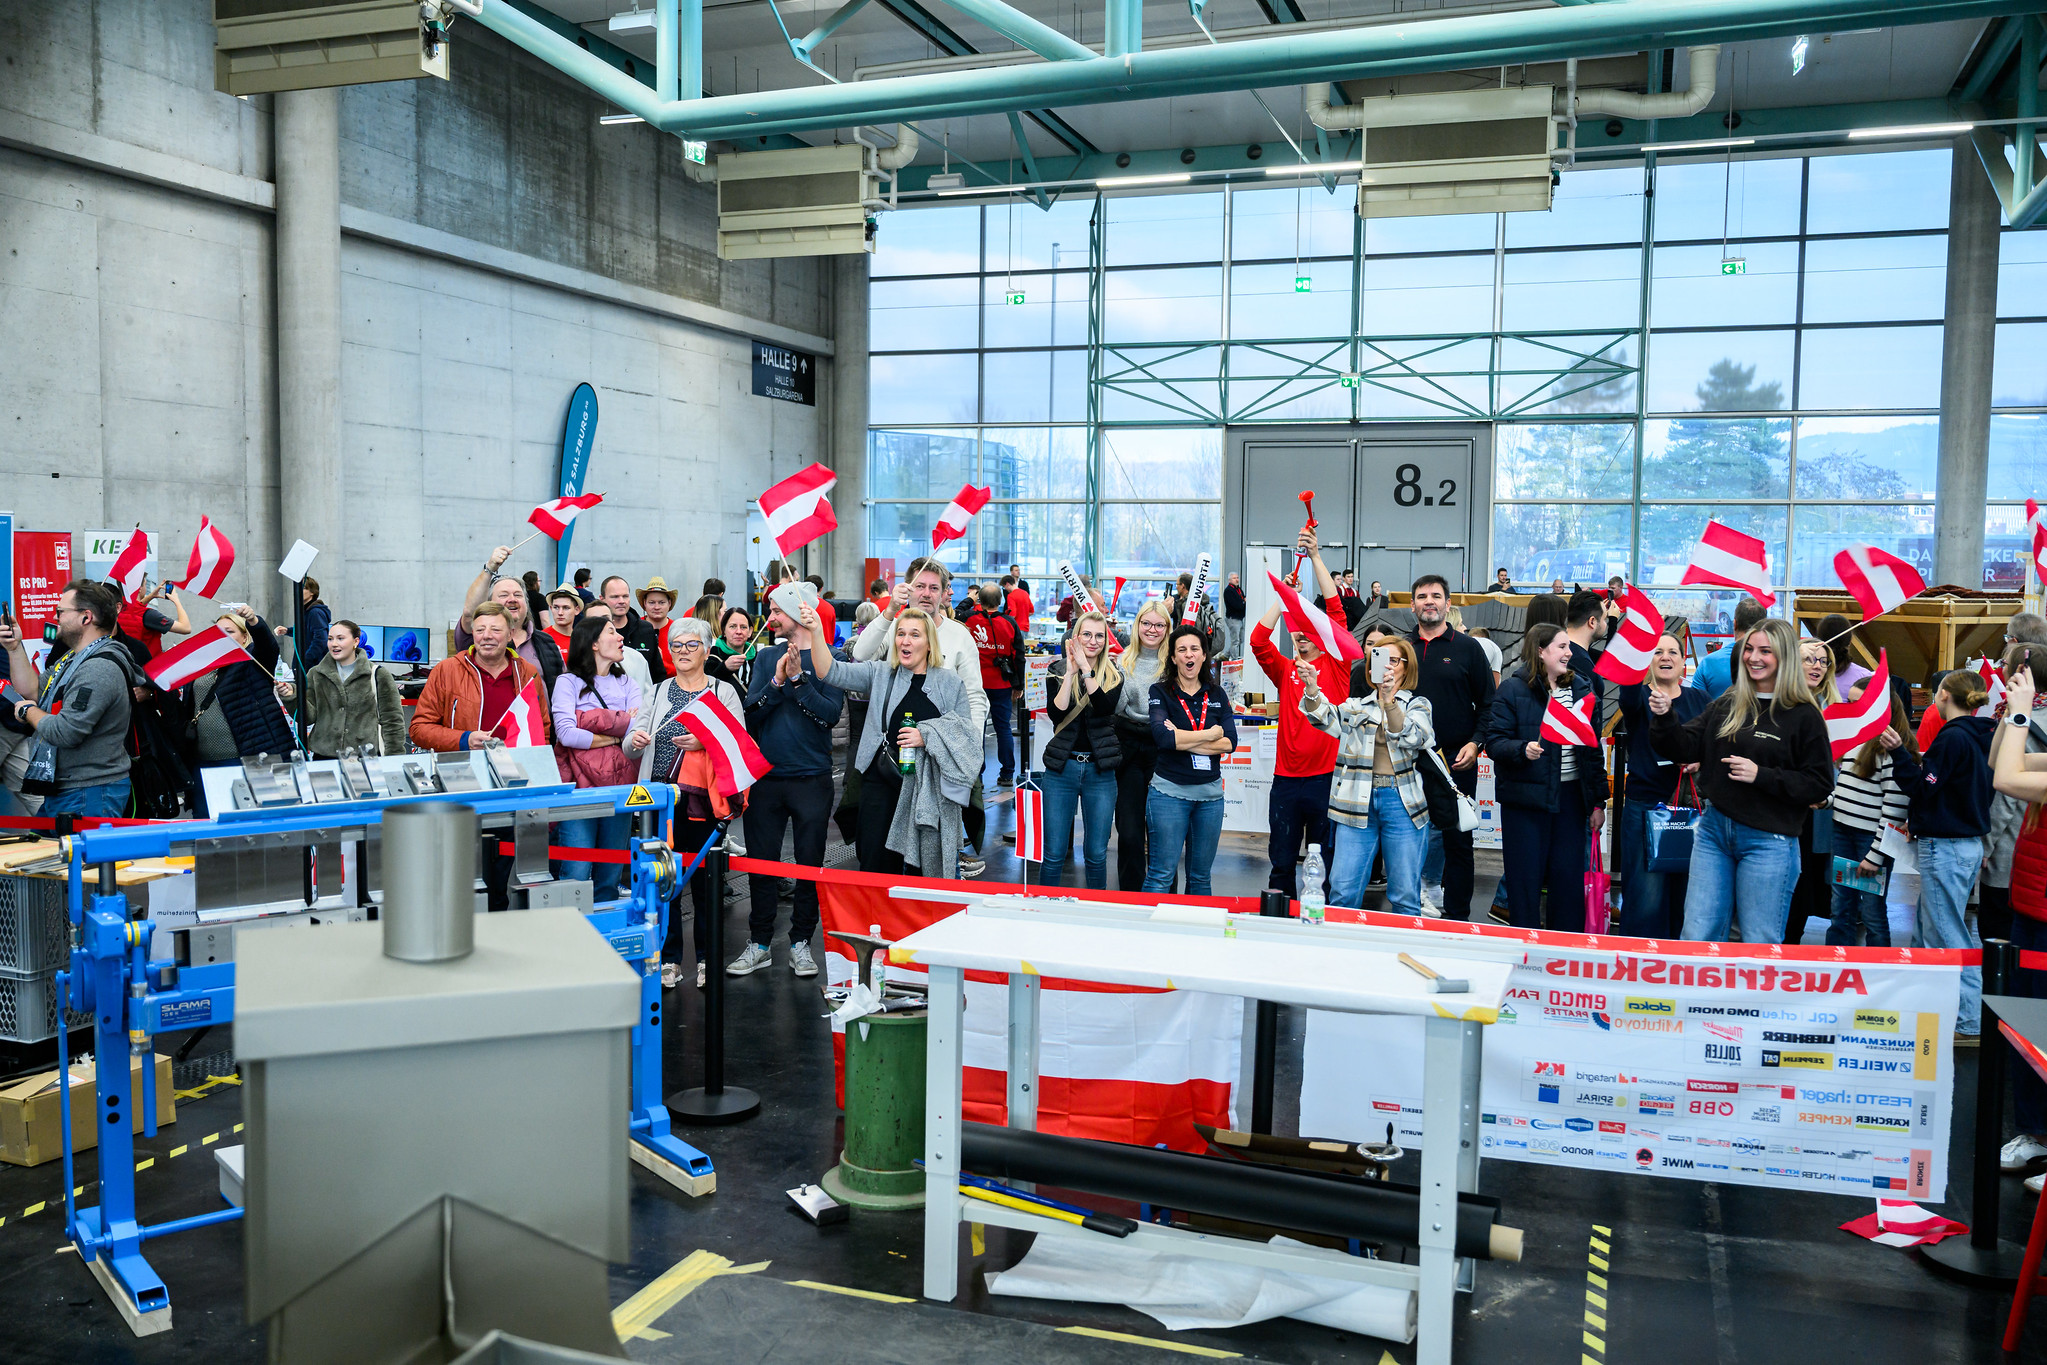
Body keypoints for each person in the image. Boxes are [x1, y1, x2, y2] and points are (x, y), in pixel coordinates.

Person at [1649, 618, 1833, 943]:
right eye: (1749, 649)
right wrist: (1665, 717)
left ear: (1784, 657)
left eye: (1765, 651)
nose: (1753, 657)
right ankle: (1698, 996)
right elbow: (1683, 746)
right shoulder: (1728, 703)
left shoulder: (1804, 716)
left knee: (1759, 940)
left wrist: (1760, 775)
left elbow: (1818, 785)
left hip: (1770, 842)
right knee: (1696, 934)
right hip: (1714, 834)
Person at [804, 604, 977, 879]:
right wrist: (815, 632)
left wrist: (927, 735)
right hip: (881, 786)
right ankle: (878, 922)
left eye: (915, 635)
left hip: (927, 791)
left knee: (924, 872)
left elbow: (967, 740)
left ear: (930, 643)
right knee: (876, 866)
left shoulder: (949, 682)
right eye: (901, 634)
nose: (905, 641)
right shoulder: (881, 673)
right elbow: (831, 672)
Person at [625, 616, 747, 986]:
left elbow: (736, 742)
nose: (683, 651)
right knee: (664, 881)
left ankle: (708, 959)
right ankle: (670, 958)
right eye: (676, 645)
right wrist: (636, 740)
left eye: (691, 645)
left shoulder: (721, 690)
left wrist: (705, 742)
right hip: (658, 800)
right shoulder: (658, 691)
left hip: (702, 801)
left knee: (707, 881)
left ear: (707, 650)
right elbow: (630, 745)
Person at [730, 593, 845, 983]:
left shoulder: (829, 660)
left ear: (800, 612)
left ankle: (800, 943)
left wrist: (799, 679)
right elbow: (751, 712)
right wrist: (778, 679)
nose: (771, 617)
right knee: (761, 866)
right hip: (766, 779)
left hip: (812, 778)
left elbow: (828, 717)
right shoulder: (764, 658)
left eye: (777, 611)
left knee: (810, 867)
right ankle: (759, 943)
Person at [853, 558, 989, 873]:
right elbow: (860, 656)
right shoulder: (896, 629)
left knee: (930, 851)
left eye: (934, 588)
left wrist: (968, 747)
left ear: (944, 594)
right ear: (908, 590)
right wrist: (888, 614)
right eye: (919, 586)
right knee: (877, 848)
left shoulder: (959, 635)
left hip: (938, 762)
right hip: (887, 764)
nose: (926, 594)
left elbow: (974, 696)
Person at [411, 601, 544, 909]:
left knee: (499, 879)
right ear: (471, 633)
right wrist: (464, 739)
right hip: (459, 785)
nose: (486, 636)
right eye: (479, 629)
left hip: (509, 787)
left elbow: (542, 730)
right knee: (458, 876)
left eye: (495, 629)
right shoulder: (448, 671)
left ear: (510, 634)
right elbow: (419, 728)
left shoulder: (527, 673)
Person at [1485, 623, 1605, 931]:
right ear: (1541, 650)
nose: (1569, 652)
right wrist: (1522, 748)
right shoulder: (1512, 689)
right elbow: (1495, 741)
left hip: (1571, 801)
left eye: (1568, 646)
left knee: (1567, 884)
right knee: (1524, 885)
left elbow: (1592, 751)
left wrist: (1597, 802)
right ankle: (1524, 953)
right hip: (1526, 803)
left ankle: (1564, 953)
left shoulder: (1581, 687)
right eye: (1562, 647)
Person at [1302, 635, 1434, 913]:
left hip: (1403, 804)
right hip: (1355, 803)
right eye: (1379, 658)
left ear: (1406, 667)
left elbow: (1415, 737)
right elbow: (1324, 718)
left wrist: (1389, 701)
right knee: (1343, 891)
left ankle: (1402, 953)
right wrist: (1312, 687)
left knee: (1405, 896)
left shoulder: (1417, 705)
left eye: (1393, 660)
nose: (1386, 667)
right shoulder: (1357, 706)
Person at [1252, 527, 1350, 898]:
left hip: (1327, 778)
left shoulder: (1336, 664)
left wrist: (1316, 558)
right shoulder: (1284, 670)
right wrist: (1283, 595)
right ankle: (1279, 928)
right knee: (1280, 864)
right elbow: (1258, 640)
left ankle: (1317, 926)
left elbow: (1336, 611)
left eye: (1311, 630)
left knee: (1324, 864)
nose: (1304, 635)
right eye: (1297, 631)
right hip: (1286, 780)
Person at [1899, 668, 1994, 1040]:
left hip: (1946, 845)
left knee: (1950, 931)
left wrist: (1900, 757)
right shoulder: (1984, 735)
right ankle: (1926, 1006)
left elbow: (1925, 788)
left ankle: (1969, 1018)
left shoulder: (1950, 739)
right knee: (1929, 927)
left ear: (1942, 696)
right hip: (1968, 842)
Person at [0, 580, 138, 816]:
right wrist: (14, 648)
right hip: (70, 789)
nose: (55, 618)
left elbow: (66, 731)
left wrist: (27, 712)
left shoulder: (99, 668)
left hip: (90, 792)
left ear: (86, 617)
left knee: (80, 854)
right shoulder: (73, 659)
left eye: (61, 612)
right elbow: (32, 691)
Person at [1402, 573, 1496, 920]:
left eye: (1436, 596)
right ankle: (1408, 909)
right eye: (1422, 596)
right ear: (1412, 605)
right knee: (1407, 842)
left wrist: (1476, 744)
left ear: (1448, 604)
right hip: (1407, 763)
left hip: (1456, 764)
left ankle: (1458, 918)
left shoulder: (1468, 648)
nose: (1429, 601)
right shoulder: (1401, 650)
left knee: (1458, 844)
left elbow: (1489, 704)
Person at [1990, 658, 2047, 1175]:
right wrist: (2010, 714)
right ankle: (2034, 1133)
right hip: (2032, 915)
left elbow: (2007, 777)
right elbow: (1999, 762)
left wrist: (2024, 714)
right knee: (2029, 1031)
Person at [1615, 635, 1707, 938]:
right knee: (1646, 900)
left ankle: (1677, 971)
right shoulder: (1640, 697)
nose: (1665, 657)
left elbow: (1711, 746)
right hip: (1646, 809)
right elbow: (1626, 695)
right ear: (1649, 662)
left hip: (1689, 810)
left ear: (1683, 662)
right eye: (1657, 652)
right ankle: (1637, 971)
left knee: (1686, 896)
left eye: (1673, 652)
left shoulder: (1700, 701)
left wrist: (1699, 762)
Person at [552, 615, 641, 906]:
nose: (620, 638)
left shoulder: (627, 682)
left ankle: (605, 939)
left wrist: (586, 721)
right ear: (592, 643)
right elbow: (566, 734)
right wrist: (615, 731)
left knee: (610, 874)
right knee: (576, 871)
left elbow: (637, 728)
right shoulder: (567, 682)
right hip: (579, 789)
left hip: (620, 785)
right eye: (612, 632)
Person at [1143, 625, 1237, 895]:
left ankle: (1199, 937)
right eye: (1181, 650)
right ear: (1173, 658)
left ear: (1204, 655)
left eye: (1194, 649)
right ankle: (1145, 935)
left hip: (1210, 799)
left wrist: (1183, 739)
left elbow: (1229, 743)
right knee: (1161, 875)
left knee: (1200, 879)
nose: (1188, 655)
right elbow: (1163, 738)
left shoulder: (1217, 694)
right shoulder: (1160, 692)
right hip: (1169, 794)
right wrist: (1209, 734)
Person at [1037, 611, 1125, 889]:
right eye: (1087, 634)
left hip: (1100, 773)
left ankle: (1094, 912)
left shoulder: (1114, 675)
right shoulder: (1057, 668)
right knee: (1052, 854)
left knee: (1097, 854)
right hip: (1062, 769)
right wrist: (1071, 673)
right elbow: (1056, 712)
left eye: (1099, 635)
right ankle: (1045, 913)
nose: (1093, 641)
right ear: (1076, 636)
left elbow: (1103, 707)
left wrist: (1087, 670)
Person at [1826, 688, 1916, 948]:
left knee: (1872, 912)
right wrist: (1827, 801)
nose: (1849, 707)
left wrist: (1874, 856)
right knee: (1840, 906)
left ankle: (1879, 971)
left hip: (1870, 840)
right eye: (1849, 702)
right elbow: (1847, 790)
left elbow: (1895, 809)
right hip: (1842, 832)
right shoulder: (1856, 741)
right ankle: (1836, 966)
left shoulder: (1892, 750)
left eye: (1856, 702)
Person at [1784, 638, 1844, 945]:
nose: (1817, 666)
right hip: (1784, 804)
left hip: (1819, 810)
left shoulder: (1834, 708)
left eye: (1823, 661)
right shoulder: (1780, 704)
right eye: (1809, 659)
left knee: (1808, 880)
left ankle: (1793, 941)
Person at [1115, 600, 1175, 892]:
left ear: (1167, 628)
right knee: (1128, 832)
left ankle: (1167, 898)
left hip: (1164, 748)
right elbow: (1118, 707)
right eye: (1146, 623)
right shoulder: (1122, 661)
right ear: (1137, 625)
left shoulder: (1174, 663)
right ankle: (1130, 896)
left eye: (1159, 625)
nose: (1152, 630)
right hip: (1129, 746)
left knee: (1165, 832)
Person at [460, 548, 566, 706]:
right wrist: (490, 568)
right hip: (488, 729)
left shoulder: (546, 642)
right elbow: (470, 612)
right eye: (503, 595)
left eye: (518, 595)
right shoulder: (477, 638)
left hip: (540, 728)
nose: (512, 599)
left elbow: (563, 691)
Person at [202, 605, 297, 760]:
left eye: (229, 632)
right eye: (217, 633)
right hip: (206, 758)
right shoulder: (203, 667)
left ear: (244, 637)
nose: (222, 637)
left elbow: (268, 646)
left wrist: (253, 621)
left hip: (253, 756)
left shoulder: (252, 660)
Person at [304, 619, 405, 758]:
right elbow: (308, 717)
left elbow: (392, 720)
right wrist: (291, 696)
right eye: (330, 639)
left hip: (365, 758)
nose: (334, 644)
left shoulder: (378, 674)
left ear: (356, 641)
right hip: (324, 758)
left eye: (340, 638)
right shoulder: (316, 674)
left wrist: (395, 758)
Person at [963, 585, 1021, 786]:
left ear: (980, 600)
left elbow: (958, 613)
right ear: (1000, 601)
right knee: (1003, 727)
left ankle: (977, 774)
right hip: (1001, 684)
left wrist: (971, 599)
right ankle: (1007, 773)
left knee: (976, 728)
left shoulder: (968, 620)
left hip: (974, 684)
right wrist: (1018, 685)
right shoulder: (1009, 623)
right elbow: (1018, 656)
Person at [1692, 598, 1768, 700]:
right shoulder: (1772, 665)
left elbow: (1694, 705)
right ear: (1764, 626)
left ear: (1735, 624)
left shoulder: (1708, 663)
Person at [637, 577, 681, 678]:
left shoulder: (678, 630)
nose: (656, 607)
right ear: (644, 604)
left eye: (661, 602)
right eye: (652, 602)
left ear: (669, 604)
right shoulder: (634, 628)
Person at [713, 606, 757, 694]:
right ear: (723, 630)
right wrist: (724, 668)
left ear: (750, 631)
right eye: (733, 626)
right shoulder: (713, 655)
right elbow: (706, 688)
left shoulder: (758, 658)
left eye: (743, 627)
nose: (738, 631)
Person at [294, 577, 332, 676]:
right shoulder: (306, 611)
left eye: (303, 588)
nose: (298, 590)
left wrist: (305, 661)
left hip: (312, 667)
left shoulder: (315, 612)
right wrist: (288, 631)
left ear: (312, 592)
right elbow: (306, 630)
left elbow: (320, 640)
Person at [542, 584, 580, 656]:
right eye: (556, 607)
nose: (560, 613)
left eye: (566, 608)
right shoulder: (542, 638)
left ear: (577, 610)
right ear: (551, 608)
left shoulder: (582, 640)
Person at [1222, 572, 1245, 659]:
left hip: (1239, 618)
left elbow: (1242, 599)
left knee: (1241, 639)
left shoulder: (1238, 589)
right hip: (1233, 619)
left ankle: (1226, 655)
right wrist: (1243, 602)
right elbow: (1237, 605)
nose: (1237, 579)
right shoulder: (1228, 591)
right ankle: (1234, 659)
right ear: (1229, 580)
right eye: (1234, 578)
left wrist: (1243, 601)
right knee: (1235, 641)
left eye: (1237, 577)